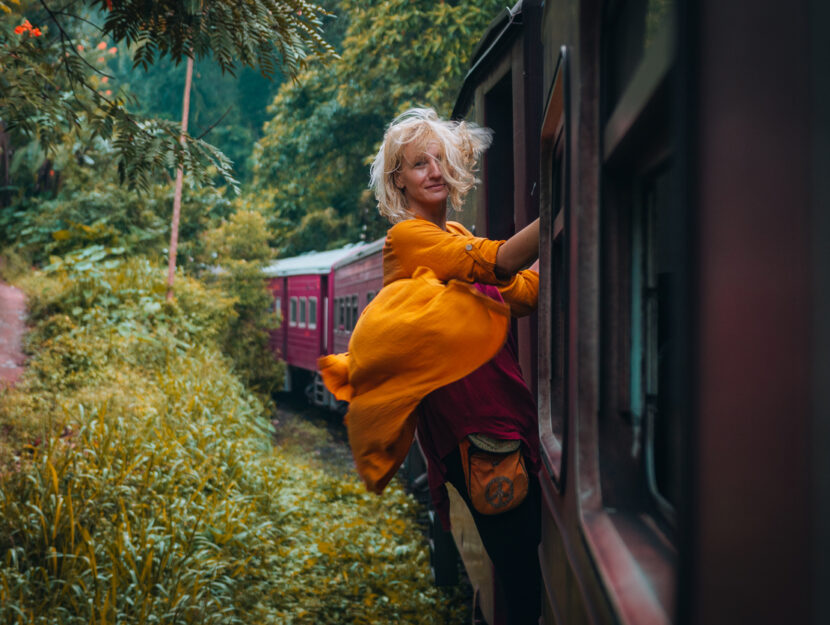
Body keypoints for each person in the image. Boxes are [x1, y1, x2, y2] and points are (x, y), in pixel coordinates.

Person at [319, 108, 541, 624]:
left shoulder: (456, 235)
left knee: (526, 577)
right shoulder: (409, 239)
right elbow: (504, 263)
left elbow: (524, 293)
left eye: (441, 160)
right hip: (475, 434)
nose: (435, 171)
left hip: (509, 419)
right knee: (525, 590)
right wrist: (562, 209)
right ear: (399, 180)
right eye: (420, 164)